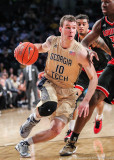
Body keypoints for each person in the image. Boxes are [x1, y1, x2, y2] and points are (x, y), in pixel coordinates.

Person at [14, 15, 98, 158]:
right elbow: (40, 47)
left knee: (56, 130)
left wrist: (85, 101)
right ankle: (33, 119)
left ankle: (24, 144)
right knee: (49, 106)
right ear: (60, 29)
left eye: (73, 28)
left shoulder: (81, 52)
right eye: (68, 27)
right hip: (50, 83)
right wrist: (24, 47)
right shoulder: (52, 41)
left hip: (69, 92)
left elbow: (94, 77)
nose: (72, 31)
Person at [60, 0, 114, 156]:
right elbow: (84, 42)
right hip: (111, 65)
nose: (103, 4)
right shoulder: (100, 24)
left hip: (103, 63)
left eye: (107, 2)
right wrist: (87, 51)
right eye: (102, 2)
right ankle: (72, 141)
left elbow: (103, 46)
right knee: (93, 98)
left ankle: (99, 117)